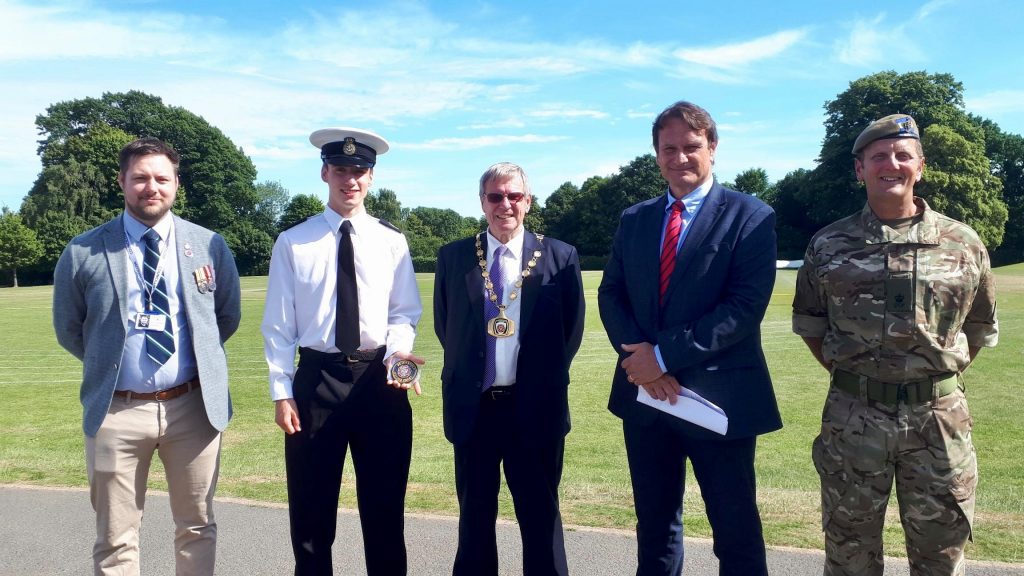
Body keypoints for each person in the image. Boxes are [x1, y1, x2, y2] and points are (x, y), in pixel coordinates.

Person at [792, 114, 998, 575]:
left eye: (903, 155)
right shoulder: (829, 244)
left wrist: (928, 377)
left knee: (941, 557)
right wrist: (862, 379)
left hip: (938, 422)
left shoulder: (963, 243)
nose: (892, 164)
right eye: (878, 156)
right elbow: (812, 325)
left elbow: (978, 328)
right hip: (853, 418)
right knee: (849, 555)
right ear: (860, 169)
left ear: (920, 167)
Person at [597, 100, 781, 575]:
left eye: (691, 146)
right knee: (655, 529)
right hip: (646, 400)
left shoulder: (750, 215)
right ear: (657, 154)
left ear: (713, 148)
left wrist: (662, 357)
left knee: (735, 532)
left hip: (719, 399)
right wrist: (642, 362)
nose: (680, 157)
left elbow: (743, 308)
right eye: (669, 148)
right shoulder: (635, 219)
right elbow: (612, 292)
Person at [53, 137, 241, 575]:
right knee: (116, 537)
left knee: (197, 526)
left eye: (161, 178)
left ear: (176, 183)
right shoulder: (83, 251)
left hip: (193, 409)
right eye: (140, 178)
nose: (151, 187)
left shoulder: (209, 244)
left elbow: (225, 317)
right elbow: (69, 328)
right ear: (122, 181)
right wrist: (109, 363)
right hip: (116, 410)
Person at [261, 127, 424, 575]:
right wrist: (281, 392)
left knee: (385, 512)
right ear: (324, 173)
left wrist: (399, 355)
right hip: (316, 382)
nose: (349, 179)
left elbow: (403, 312)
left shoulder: (391, 240)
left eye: (359, 171)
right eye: (340, 170)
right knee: (311, 516)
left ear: (371, 177)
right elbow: (278, 326)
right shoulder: (294, 242)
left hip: (379, 381)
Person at [433, 162, 585, 576]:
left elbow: (570, 332)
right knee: (474, 520)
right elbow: (447, 327)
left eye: (514, 196)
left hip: (535, 408)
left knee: (541, 520)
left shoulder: (560, 256)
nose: (505, 205)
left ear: (528, 201)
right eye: (495, 196)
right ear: (482, 202)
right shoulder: (454, 257)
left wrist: (540, 380)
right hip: (474, 408)